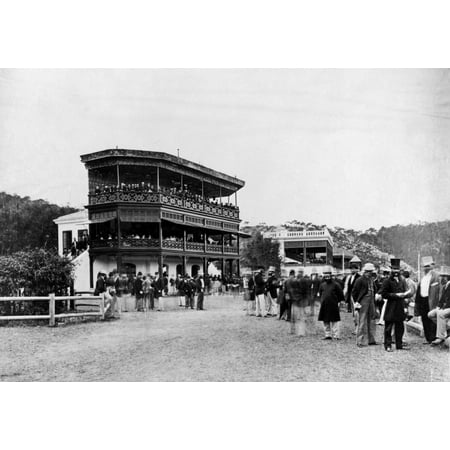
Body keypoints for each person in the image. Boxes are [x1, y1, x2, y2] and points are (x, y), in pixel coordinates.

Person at [380, 259, 410, 352]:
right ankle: (388, 345)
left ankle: (399, 345)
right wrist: (396, 295)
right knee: (388, 327)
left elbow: (407, 291)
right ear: (391, 270)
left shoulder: (402, 280)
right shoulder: (387, 281)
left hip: (400, 306)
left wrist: (405, 295)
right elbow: (384, 294)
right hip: (391, 306)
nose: (395, 271)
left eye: (397, 269)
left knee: (400, 327)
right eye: (394, 269)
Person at [415, 256, 440, 344]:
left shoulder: (436, 276)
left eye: (428, 266)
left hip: (432, 300)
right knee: (424, 319)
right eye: (425, 266)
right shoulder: (423, 277)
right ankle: (428, 338)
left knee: (431, 319)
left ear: (432, 266)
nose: (426, 268)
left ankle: (433, 338)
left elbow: (439, 290)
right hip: (422, 299)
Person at [352, 263, 378, 347]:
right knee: (362, 321)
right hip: (363, 301)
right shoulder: (359, 280)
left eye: (371, 272)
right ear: (365, 272)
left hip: (371, 301)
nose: (370, 273)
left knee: (372, 320)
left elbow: (375, 290)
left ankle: (371, 339)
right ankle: (360, 341)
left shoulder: (371, 280)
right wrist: (357, 302)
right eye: (368, 272)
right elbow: (354, 292)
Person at [318, 266, 345, 340]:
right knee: (325, 320)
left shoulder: (336, 284)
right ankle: (327, 335)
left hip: (333, 305)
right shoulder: (322, 285)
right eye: (325, 274)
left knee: (334, 320)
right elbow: (320, 294)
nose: (327, 276)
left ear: (331, 274)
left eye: (328, 274)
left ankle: (336, 335)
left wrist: (338, 302)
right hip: (324, 305)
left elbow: (340, 295)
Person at [427, 266, 450, 345]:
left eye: (442, 277)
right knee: (430, 314)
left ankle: (440, 337)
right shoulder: (445, 287)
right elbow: (442, 300)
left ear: (446, 278)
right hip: (446, 308)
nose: (440, 279)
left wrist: (442, 308)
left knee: (440, 314)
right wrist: (438, 307)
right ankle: (447, 329)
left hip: (449, 307)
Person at [286, 269, 309, 336]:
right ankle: (301, 332)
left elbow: (290, 291)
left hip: (295, 300)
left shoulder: (292, 281)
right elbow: (305, 292)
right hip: (300, 300)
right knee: (301, 316)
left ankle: (294, 331)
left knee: (295, 316)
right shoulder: (304, 281)